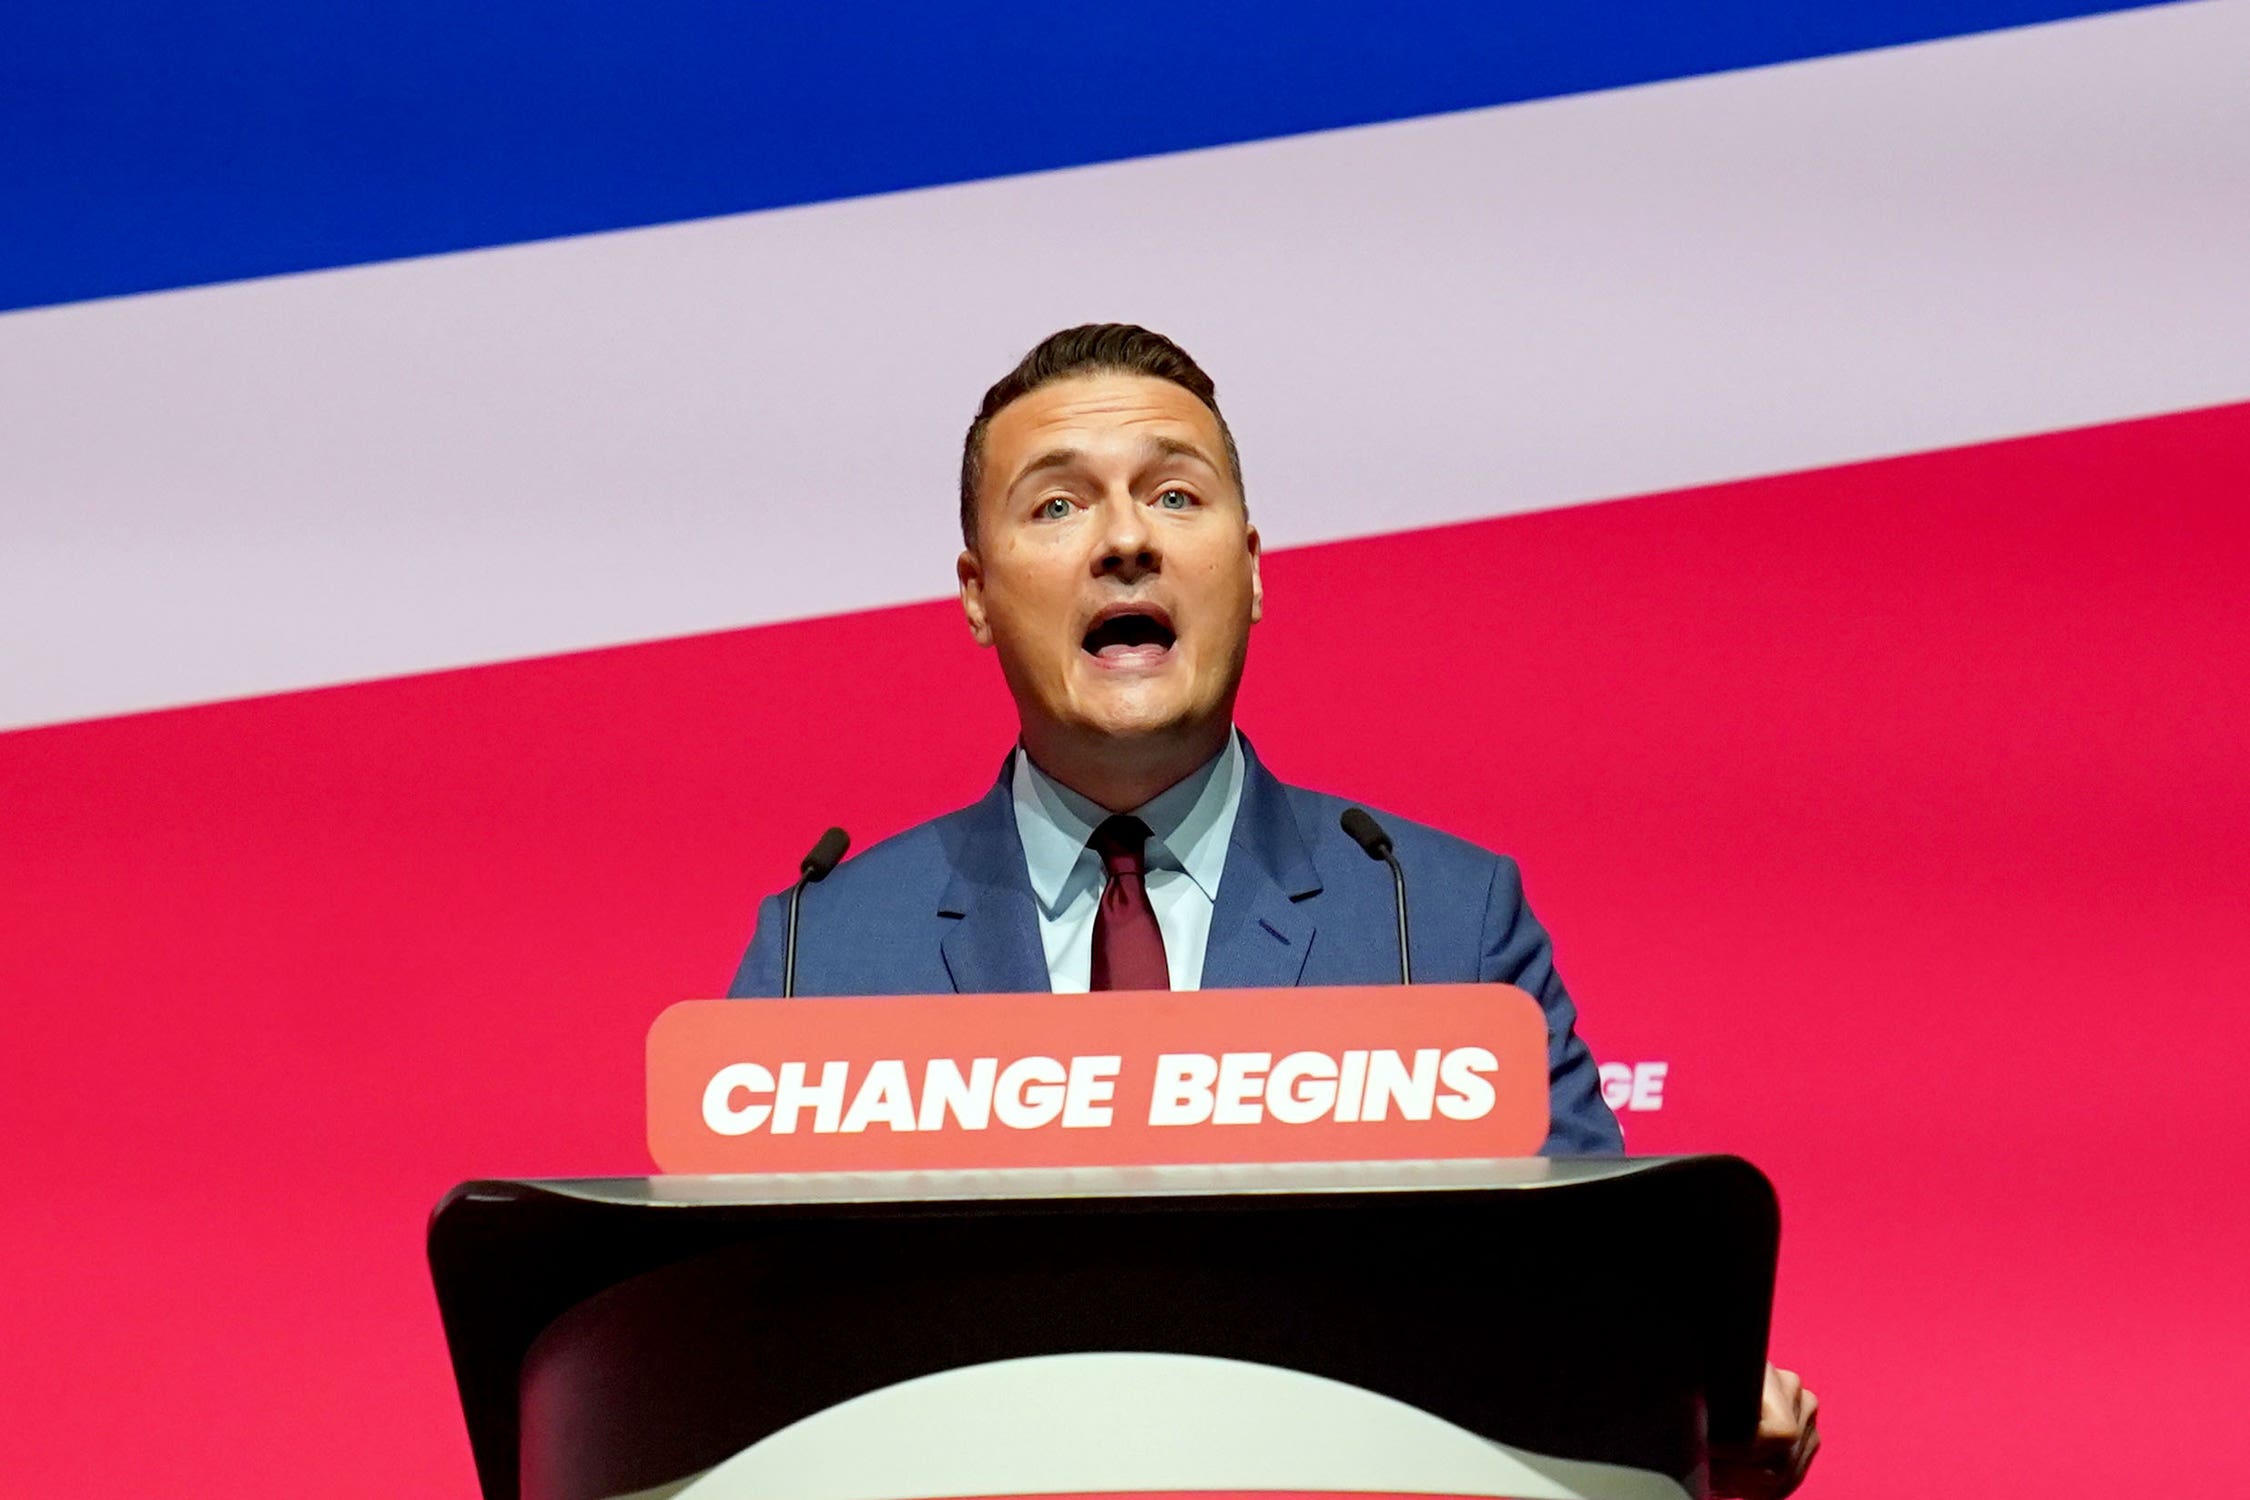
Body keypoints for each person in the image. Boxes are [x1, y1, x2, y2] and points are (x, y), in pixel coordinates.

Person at [730, 323, 1818, 1495]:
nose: (1126, 541)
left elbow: (1611, 1315)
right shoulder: (825, 951)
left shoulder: (1434, 921)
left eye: (1175, 494)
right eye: (1056, 508)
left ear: (1251, 570)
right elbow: (728, 1363)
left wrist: (1691, 1411)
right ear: (977, 594)